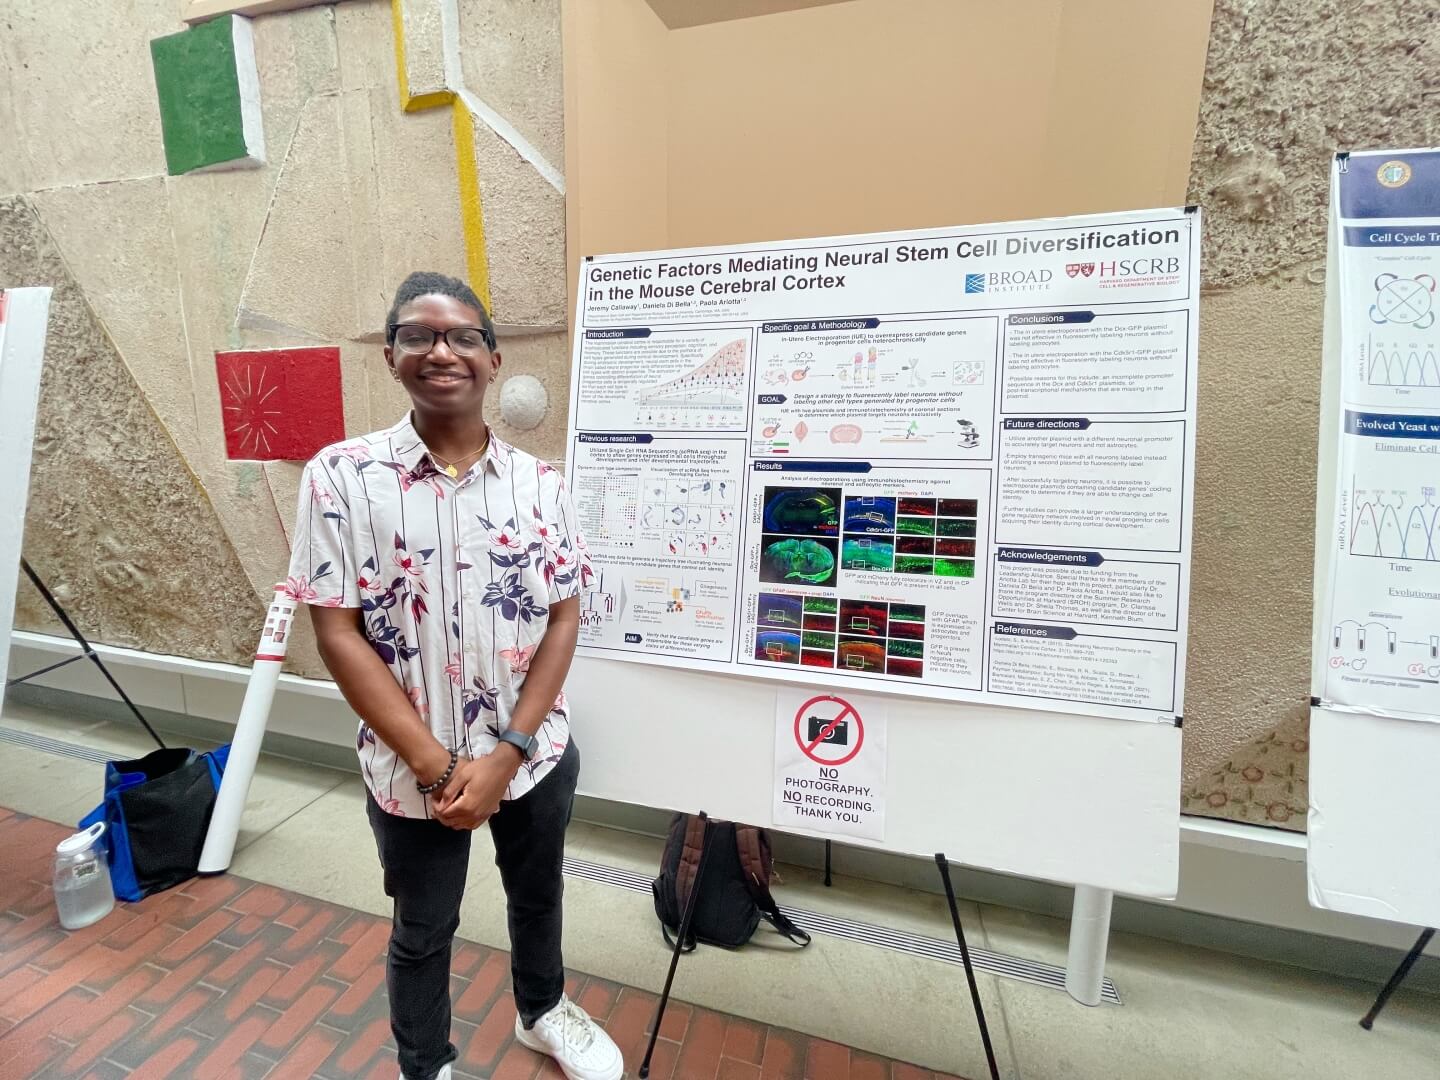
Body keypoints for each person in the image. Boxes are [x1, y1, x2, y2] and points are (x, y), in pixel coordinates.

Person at [285, 271, 623, 1080]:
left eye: (462, 336)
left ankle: (542, 1011)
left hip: (533, 755)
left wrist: (507, 751)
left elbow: (564, 617)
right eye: (419, 335)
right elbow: (336, 633)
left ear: (494, 359)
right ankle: (426, 1063)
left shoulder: (542, 485)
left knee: (537, 897)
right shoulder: (341, 477)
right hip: (413, 774)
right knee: (423, 927)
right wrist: (440, 769)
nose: (442, 350)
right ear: (393, 356)